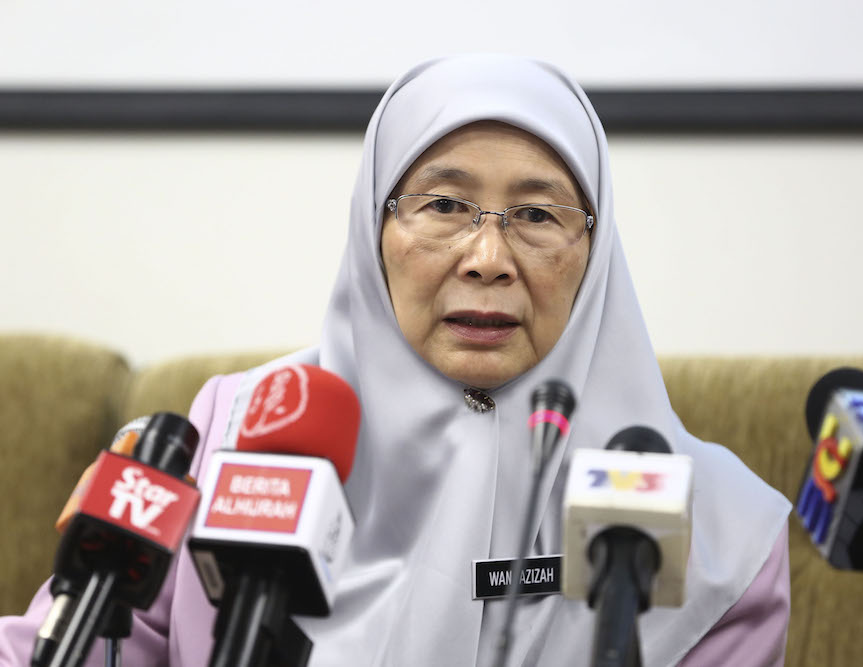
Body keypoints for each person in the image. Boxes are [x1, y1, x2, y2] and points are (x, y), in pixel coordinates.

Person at [0, 54, 791, 666]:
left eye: (537, 213)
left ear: (597, 247)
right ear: (371, 229)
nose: (488, 257)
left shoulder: (720, 528)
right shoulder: (231, 432)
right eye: (444, 204)